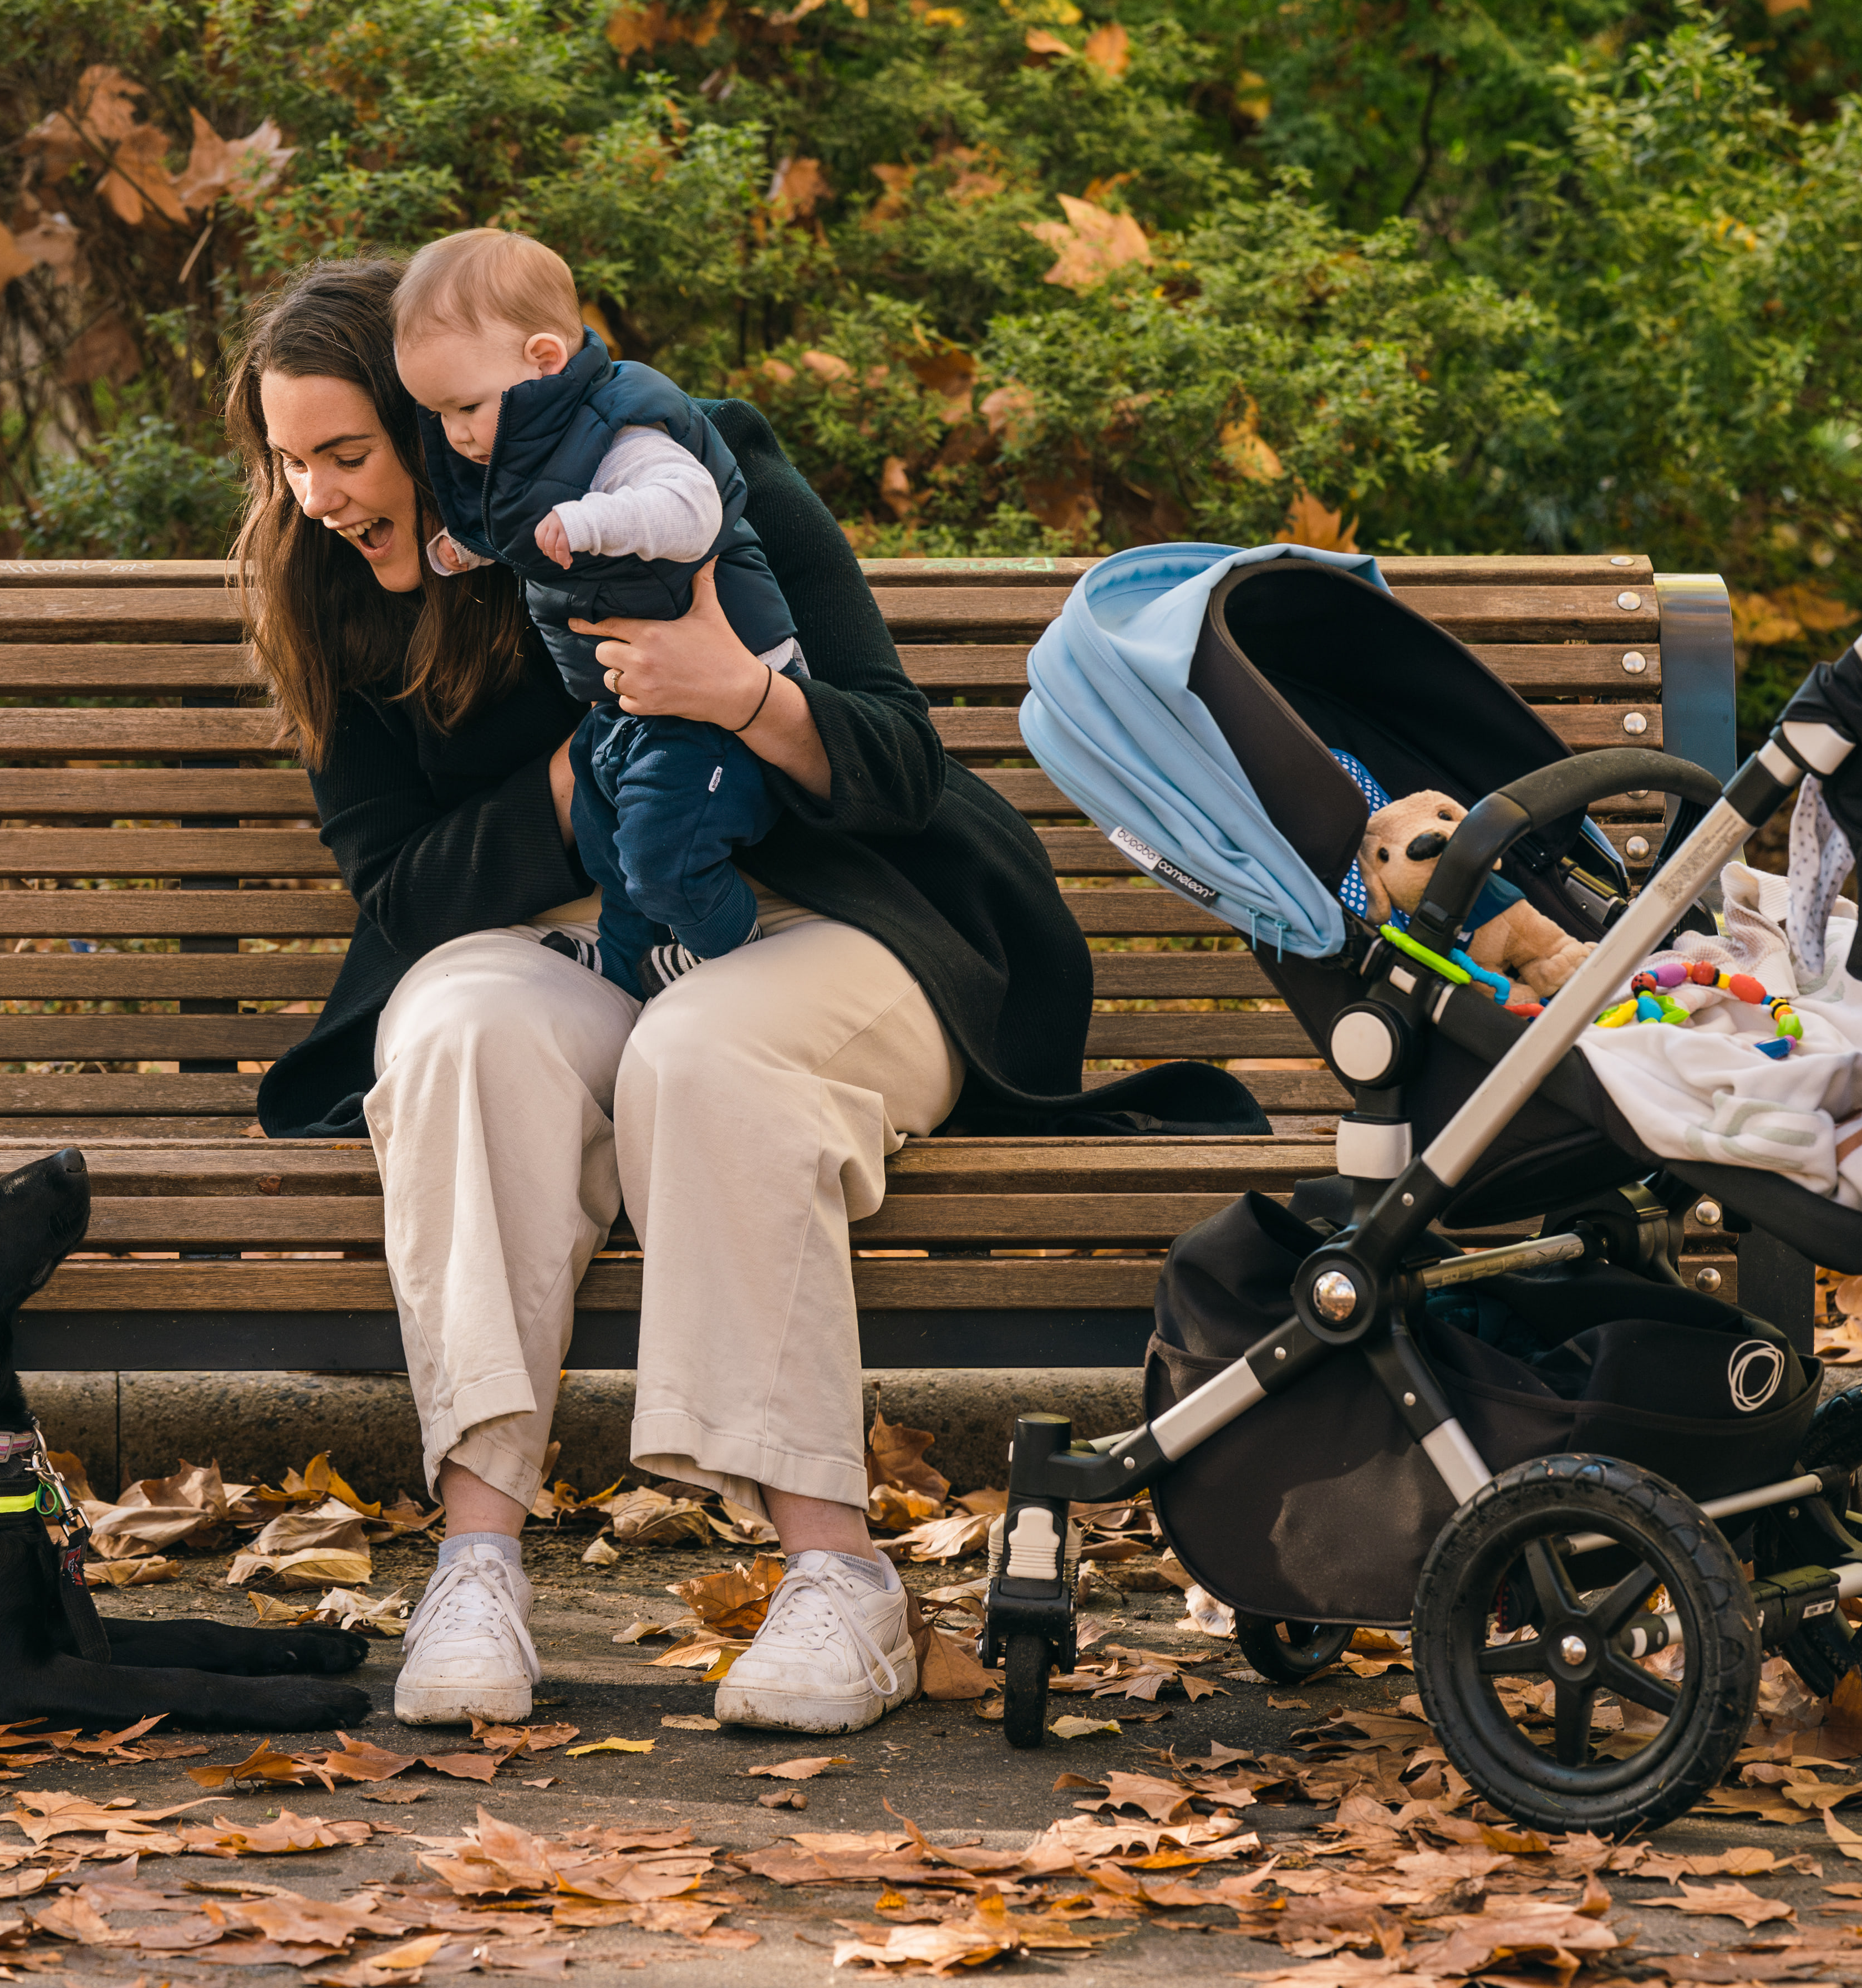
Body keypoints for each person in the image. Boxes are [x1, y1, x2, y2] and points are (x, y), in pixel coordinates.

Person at [230, 260, 1261, 1737]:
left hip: (838, 920)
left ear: (457, 423)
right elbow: (399, 895)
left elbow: (897, 763)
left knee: (705, 1053)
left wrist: (732, 695)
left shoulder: (684, 470)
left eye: (348, 454)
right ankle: (473, 1557)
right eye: (289, 462)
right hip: (583, 945)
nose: (320, 496)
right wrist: (579, 778)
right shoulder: (332, 588)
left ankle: (836, 1579)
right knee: (452, 1028)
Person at [394, 228, 802, 997]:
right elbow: (524, 526)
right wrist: (468, 549)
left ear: (543, 360)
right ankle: (622, 961)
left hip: (713, 703)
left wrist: (592, 522)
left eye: (465, 407)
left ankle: (729, 951)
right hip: (624, 702)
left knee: (664, 853)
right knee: (609, 840)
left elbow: (687, 511)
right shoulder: (524, 439)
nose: (454, 433)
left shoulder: (626, 426)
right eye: (438, 415)